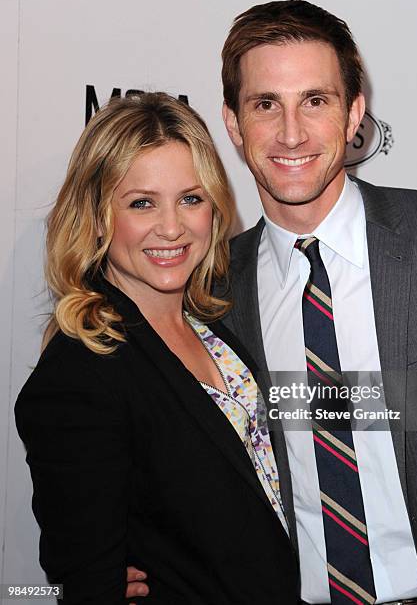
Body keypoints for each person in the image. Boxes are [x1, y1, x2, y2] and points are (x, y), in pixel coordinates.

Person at [127, 0, 417, 605]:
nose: (291, 134)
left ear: (355, 112)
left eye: (316, 100)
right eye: (265, 105)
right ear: (232, 123)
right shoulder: (209, 289)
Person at [15, 92, 299, 604]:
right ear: (99, 216)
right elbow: (82, 583)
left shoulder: (217, 329)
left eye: (191, 198)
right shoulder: (80, 374)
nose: (172, 227)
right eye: (142, 202)